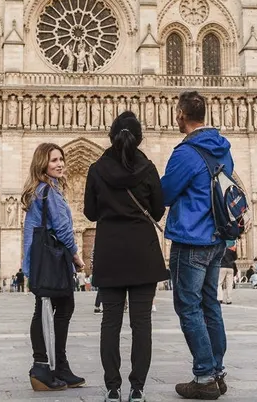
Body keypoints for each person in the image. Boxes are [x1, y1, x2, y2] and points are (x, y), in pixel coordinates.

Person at [83, 111, 169, 402]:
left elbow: (90, 213)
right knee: (141, 323)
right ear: (139, 138)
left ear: (111, 136)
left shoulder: (96, 169)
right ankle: (137, 388)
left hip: (110, 253)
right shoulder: (148, 169)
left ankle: (112, 387)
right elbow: (157, 210)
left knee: (110, 322)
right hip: (143, 253)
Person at [160, 91, 232, 399]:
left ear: (180, 114)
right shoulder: (222, 148)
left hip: (191, 239)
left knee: (188, 307)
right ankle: (216, 370)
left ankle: (204, 377)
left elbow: (166, 193)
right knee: (210, 304)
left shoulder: (186, 152)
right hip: (217, 239)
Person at [20, 142, 86, 392]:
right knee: (59, 307)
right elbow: (63, 230)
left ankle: (56, 366)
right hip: (52, 261)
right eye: (53, 160)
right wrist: (76, 256)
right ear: (42, 164)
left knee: (48, 308)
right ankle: (44, 367)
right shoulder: (48, 192)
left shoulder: (39, 191)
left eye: (61, 159)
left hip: (40, 260)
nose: (59, 164)